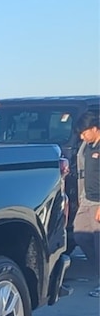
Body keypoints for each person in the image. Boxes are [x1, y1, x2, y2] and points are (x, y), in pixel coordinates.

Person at [72, 108, 100, 297]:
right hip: (87, 200)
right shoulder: (88, 147)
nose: (82, 137)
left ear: (95, 128)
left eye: (84, 132)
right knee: (80, 235)